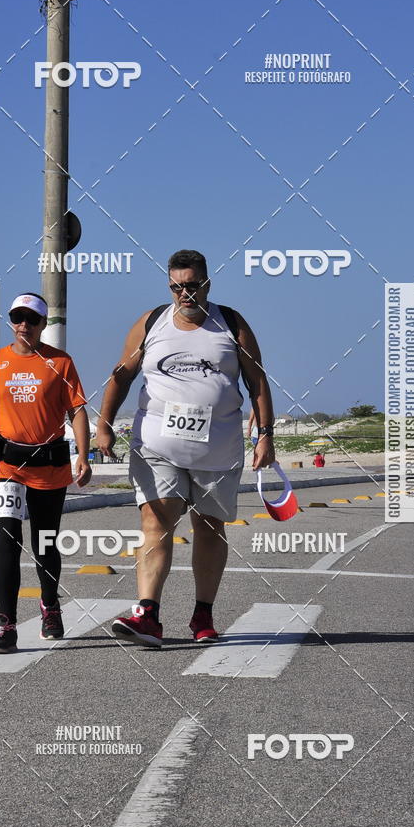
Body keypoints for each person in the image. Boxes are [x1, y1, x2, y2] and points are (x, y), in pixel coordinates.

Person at [96, 249, 275, 647]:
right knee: (155, 524)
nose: (185, 294)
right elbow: (121, 376)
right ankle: (148, 615)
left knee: (209, 529)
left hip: (218, 447)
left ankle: (202, 616)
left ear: (207, 284)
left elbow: (257, 381)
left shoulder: (230, 323)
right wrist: (103, 426)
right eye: (177, 287)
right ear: (169, 286)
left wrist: (266, 434)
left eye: (192, 286)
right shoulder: (152, 322)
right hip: (156, 444)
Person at [0, 293, 91, 654]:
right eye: (17, 318)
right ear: (11, 322)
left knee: (44, 542)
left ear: (44, 324)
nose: (24, 325)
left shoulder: (60, 362)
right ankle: (6, 625)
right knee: (6, 541)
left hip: (49, 465)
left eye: (31, 319)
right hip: (6, 467)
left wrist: (84, 455)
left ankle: (50, 604)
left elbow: (76, 410)